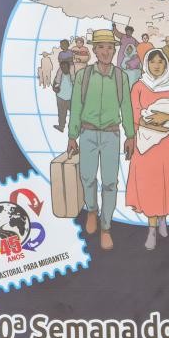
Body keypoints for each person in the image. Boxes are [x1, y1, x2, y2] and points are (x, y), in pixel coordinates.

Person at [67, 29, 136, 251]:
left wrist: (131, 135)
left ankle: (106, 227)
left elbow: (126, 107)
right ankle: (92, 210)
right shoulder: (84, 75)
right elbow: (76, 106)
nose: (106, 51)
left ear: (114, 50)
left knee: (110, 183)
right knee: (87, 177)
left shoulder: (121, 77)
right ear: (95, 50)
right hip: (87, 133)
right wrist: (72, 136)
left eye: (109, 47)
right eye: (101, 47)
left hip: (111, 135)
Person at [127, 49, 169, 250]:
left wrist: (167, 118)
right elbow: (134, 114)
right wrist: (155, 125)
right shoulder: (139, 87)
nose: (156, 65)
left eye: (160, 62)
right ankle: (151, 229)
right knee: (150, 185)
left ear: (166, 65)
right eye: (152, 61)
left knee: (166, 182)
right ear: (147, 64)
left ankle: (163, 218)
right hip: (146, 145)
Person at [52, 60, 75, 132]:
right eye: (62, 67)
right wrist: (55, 88)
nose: (63, 69)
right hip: (60, 97)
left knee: (74, 114)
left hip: (71, 98)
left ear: (68, 67)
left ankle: (74, 128)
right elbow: (54, 84)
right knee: (61, 114)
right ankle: (61, 127)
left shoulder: (73, 75)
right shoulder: (59, 75)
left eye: (65, 67)